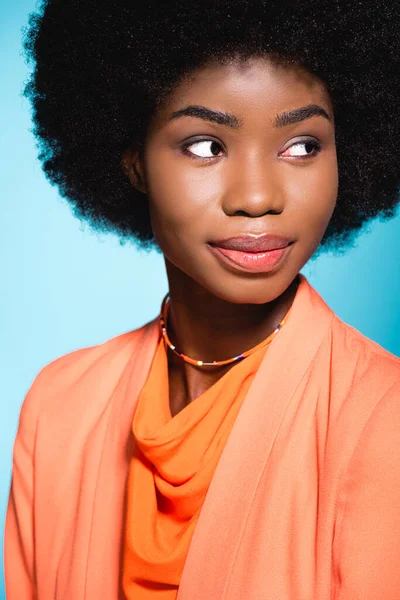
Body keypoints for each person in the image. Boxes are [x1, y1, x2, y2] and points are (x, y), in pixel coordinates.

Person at [4, 0, 400, 598]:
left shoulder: (382, 423)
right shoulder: (60, 409)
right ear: (132, 159)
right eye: (206, 146)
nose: (259, 197)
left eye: (301, 147)